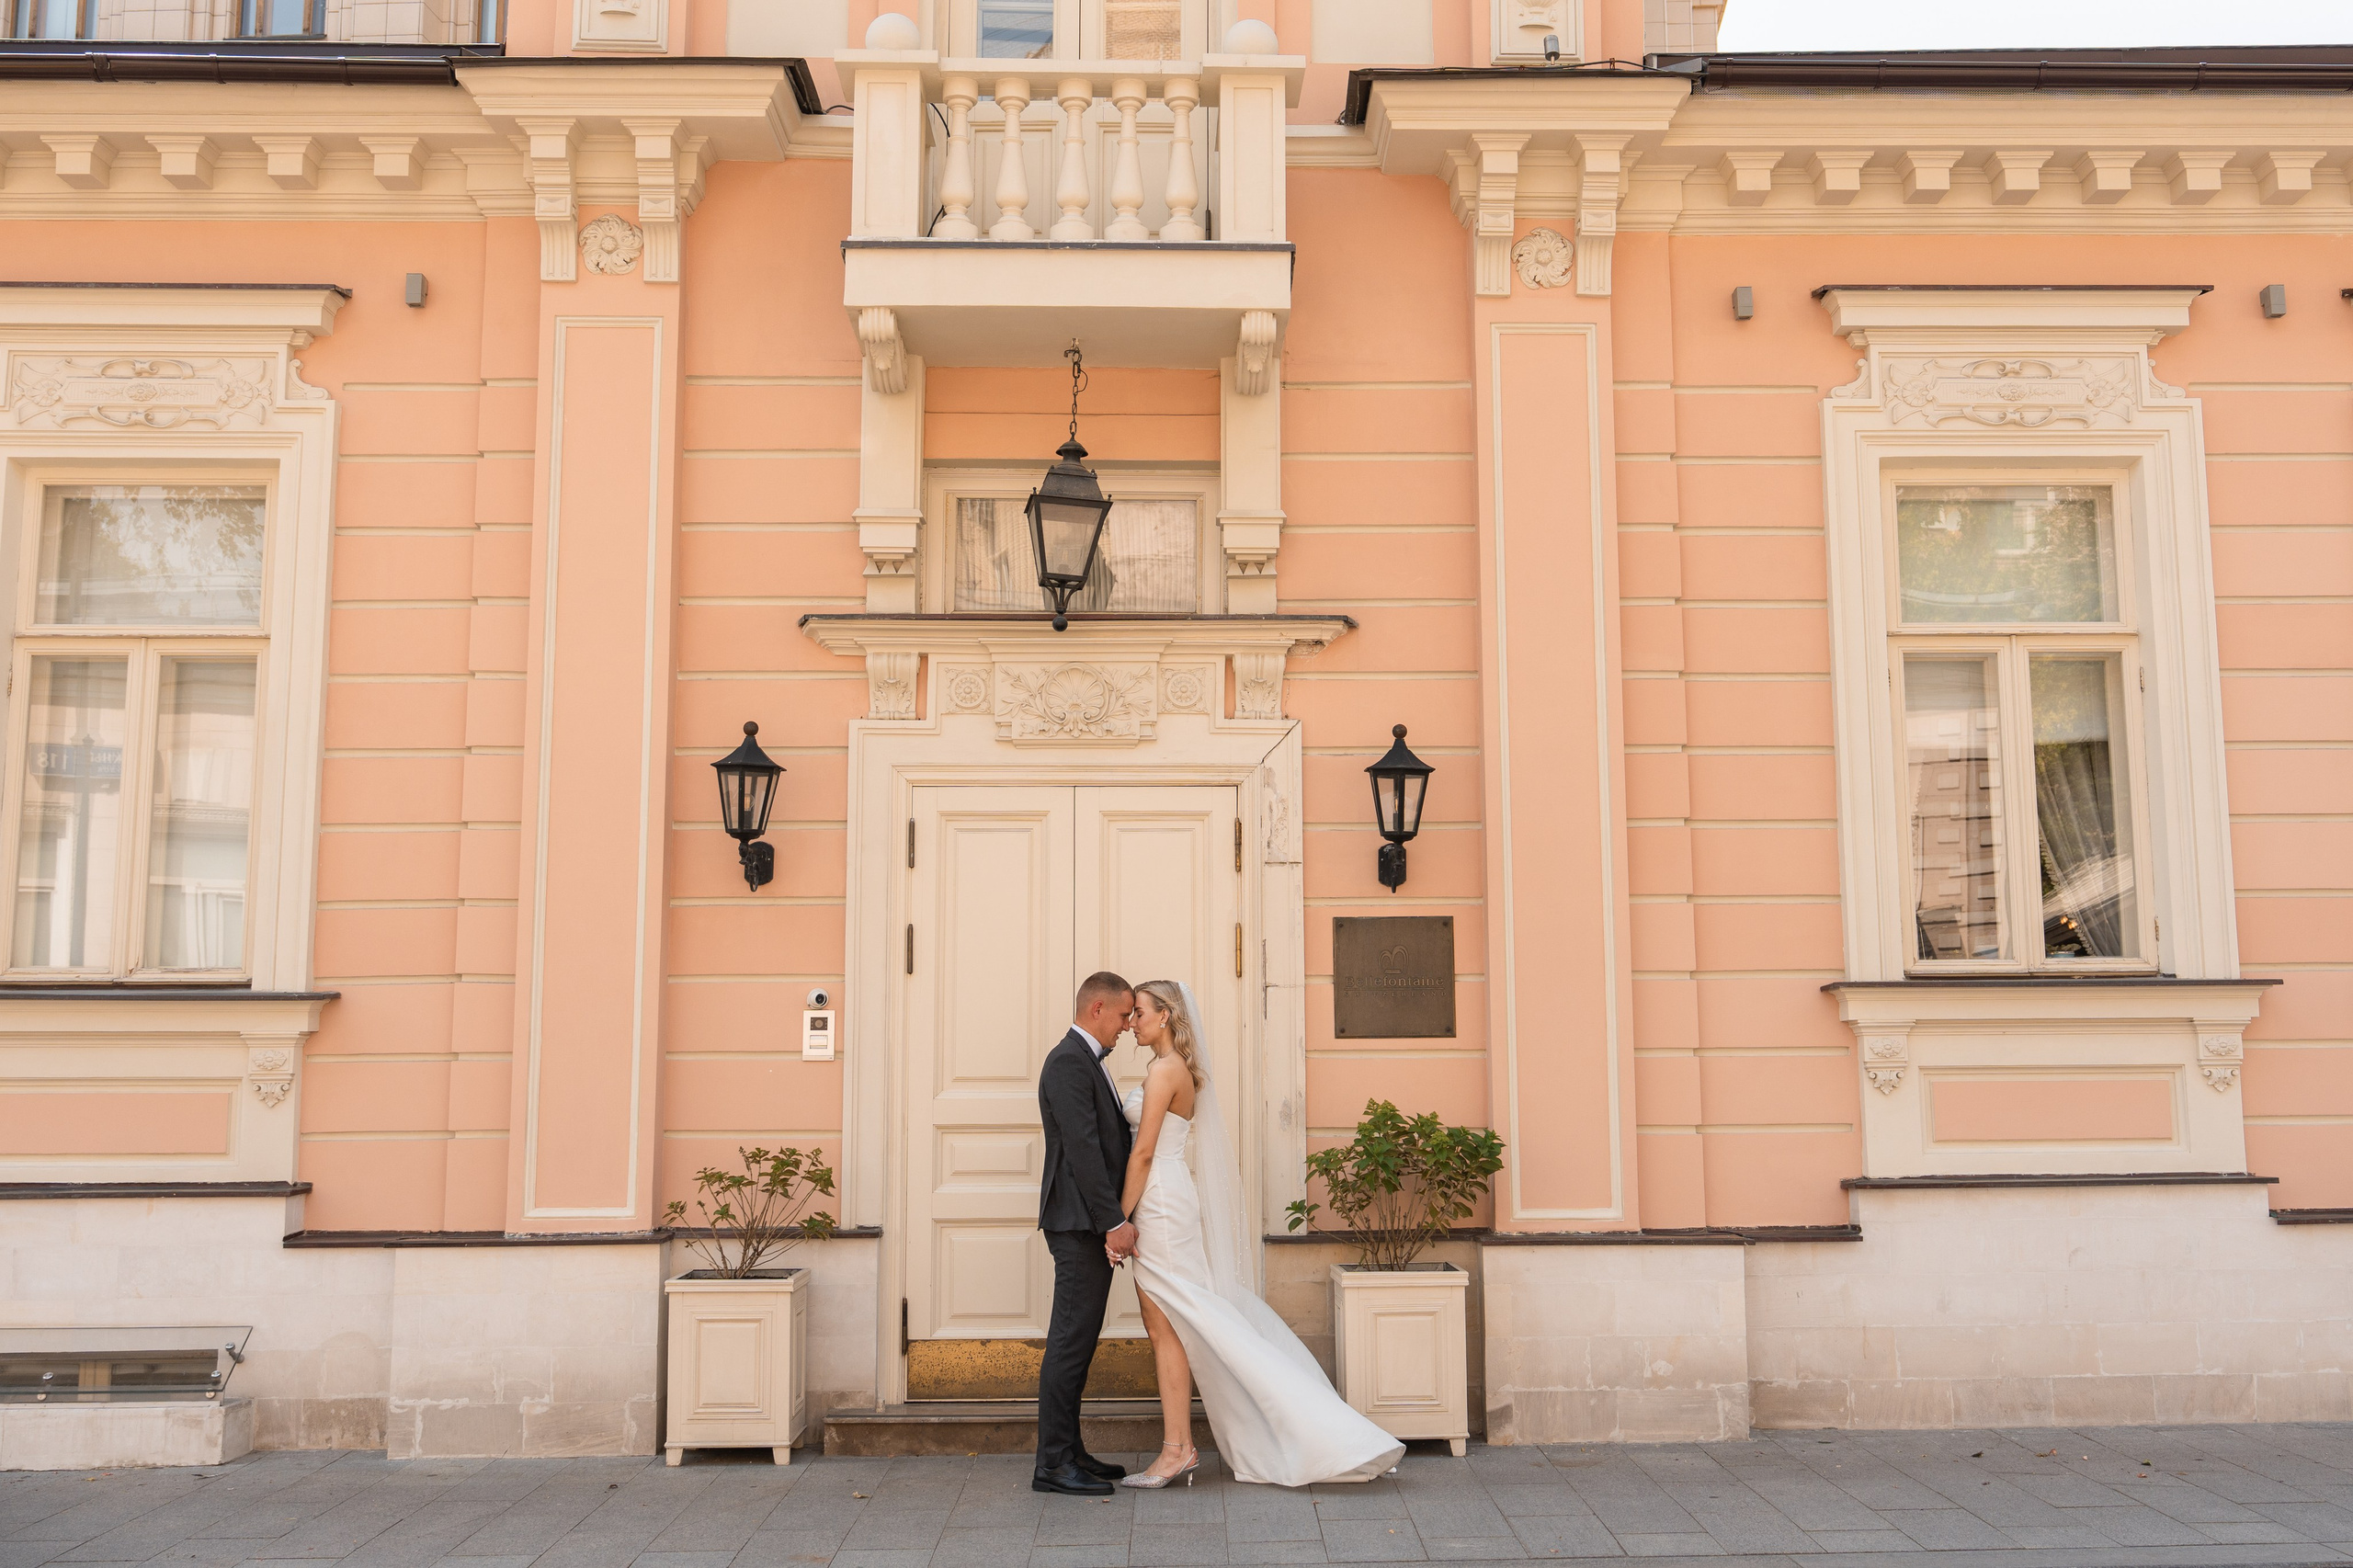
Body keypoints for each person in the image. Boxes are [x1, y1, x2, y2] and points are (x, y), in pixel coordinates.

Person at [1113, 979, 1404, 1488]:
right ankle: (1178, 1446)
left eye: (1138, 1012)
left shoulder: (1164, 1071)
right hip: (1167, 1193)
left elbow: (1142, 1153)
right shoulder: (1171, 1068)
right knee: (1172, 1322)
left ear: (1164, 1016)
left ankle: (1181, 1448)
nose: (1130, 1021)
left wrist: (1118, 1221)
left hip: (1158, 1199)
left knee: (1173, 1321)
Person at [1030, 971, 1139, 1495]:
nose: (1127, 1026)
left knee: (1079, 1340)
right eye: (1122, 1015)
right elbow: (1084, 1151)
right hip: (1078, 1223)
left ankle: (1070, 1452)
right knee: (1070, 1343)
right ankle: (1052, 1464)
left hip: (1083, 1221)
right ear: (1097, 1009)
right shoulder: (1070, 1062)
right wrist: (1114, 1222)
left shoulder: (1082, 1060)